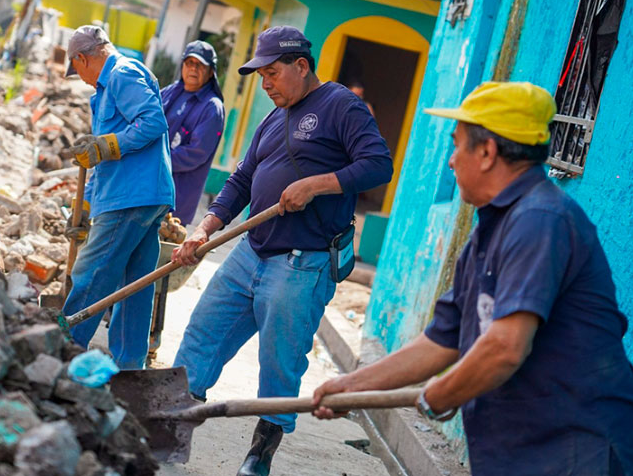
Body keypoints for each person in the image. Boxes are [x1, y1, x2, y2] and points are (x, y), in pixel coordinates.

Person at [312, 82, 633, 476]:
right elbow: (442, 341)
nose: (452, 161)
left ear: (487, 152)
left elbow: (505, 348)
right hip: (523, 448)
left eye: (457, 145)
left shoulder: (540, 220)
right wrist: (353, 387)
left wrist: (439, 394)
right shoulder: (494, 228)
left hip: (576, 448)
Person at [171, 26, 393, 476]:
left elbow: (378, 165)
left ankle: (259, 455)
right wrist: (205, 228)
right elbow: (240, 181)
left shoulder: (341, 106)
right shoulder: (273, 119)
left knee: (280, 365)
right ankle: (168, 431)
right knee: (200, 337)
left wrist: (317, 185)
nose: (266, 83)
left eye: (272, 73)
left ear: (301, 66)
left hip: (303, 263)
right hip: (249, 253)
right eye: (261, 76)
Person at [61, 25, 174, 370]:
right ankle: (129, 371)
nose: (79, 78)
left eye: (76, 68)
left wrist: (109, 145)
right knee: (134, 289)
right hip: (138, 195)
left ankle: (61, 352)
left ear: (82, 58)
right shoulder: (105, 90)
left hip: (133, 197)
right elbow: (102, 164)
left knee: (92, 274)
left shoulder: (122, 74)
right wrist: (83, 207)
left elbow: (153, 121)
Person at [160, 40, 225, 224]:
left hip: (175, 199)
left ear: (211, 72)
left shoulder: (212, 108)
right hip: (147, 187)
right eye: (189, 63)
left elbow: (196, 153)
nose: (193, 69)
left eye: (200, 65)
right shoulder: (171, 92)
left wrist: (156, 160)